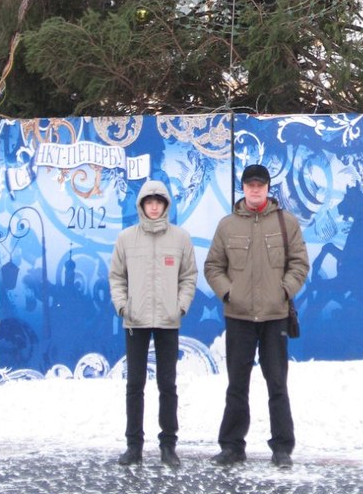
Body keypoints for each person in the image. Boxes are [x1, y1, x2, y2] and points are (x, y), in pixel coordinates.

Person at [204, 163, 309, 468]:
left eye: (260, 184)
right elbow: (213, 266)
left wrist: (284, 291)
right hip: (238, 318)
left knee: (277, 383)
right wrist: (228, 293)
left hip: (275, 316)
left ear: (267, 188)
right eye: (250, 184)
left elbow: (299, 264)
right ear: (243, 188)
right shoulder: (227, 225)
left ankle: (282, 448)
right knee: (237, 384)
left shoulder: (286, 222)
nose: (255, 189)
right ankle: (232, 446)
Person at [108, 179, 197, 468]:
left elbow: (189, 276)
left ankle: (168, 446)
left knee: (167, 384)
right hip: (136, 321)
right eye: (150, 201)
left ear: (166, 204)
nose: (154, 206)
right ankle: (134, 446)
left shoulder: (180, 238)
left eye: (159, 201)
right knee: (135, 384)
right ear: (142, 205)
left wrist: (180, 306)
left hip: (169, 322)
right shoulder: (126, 238)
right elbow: (117, 277)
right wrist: (123, 306)